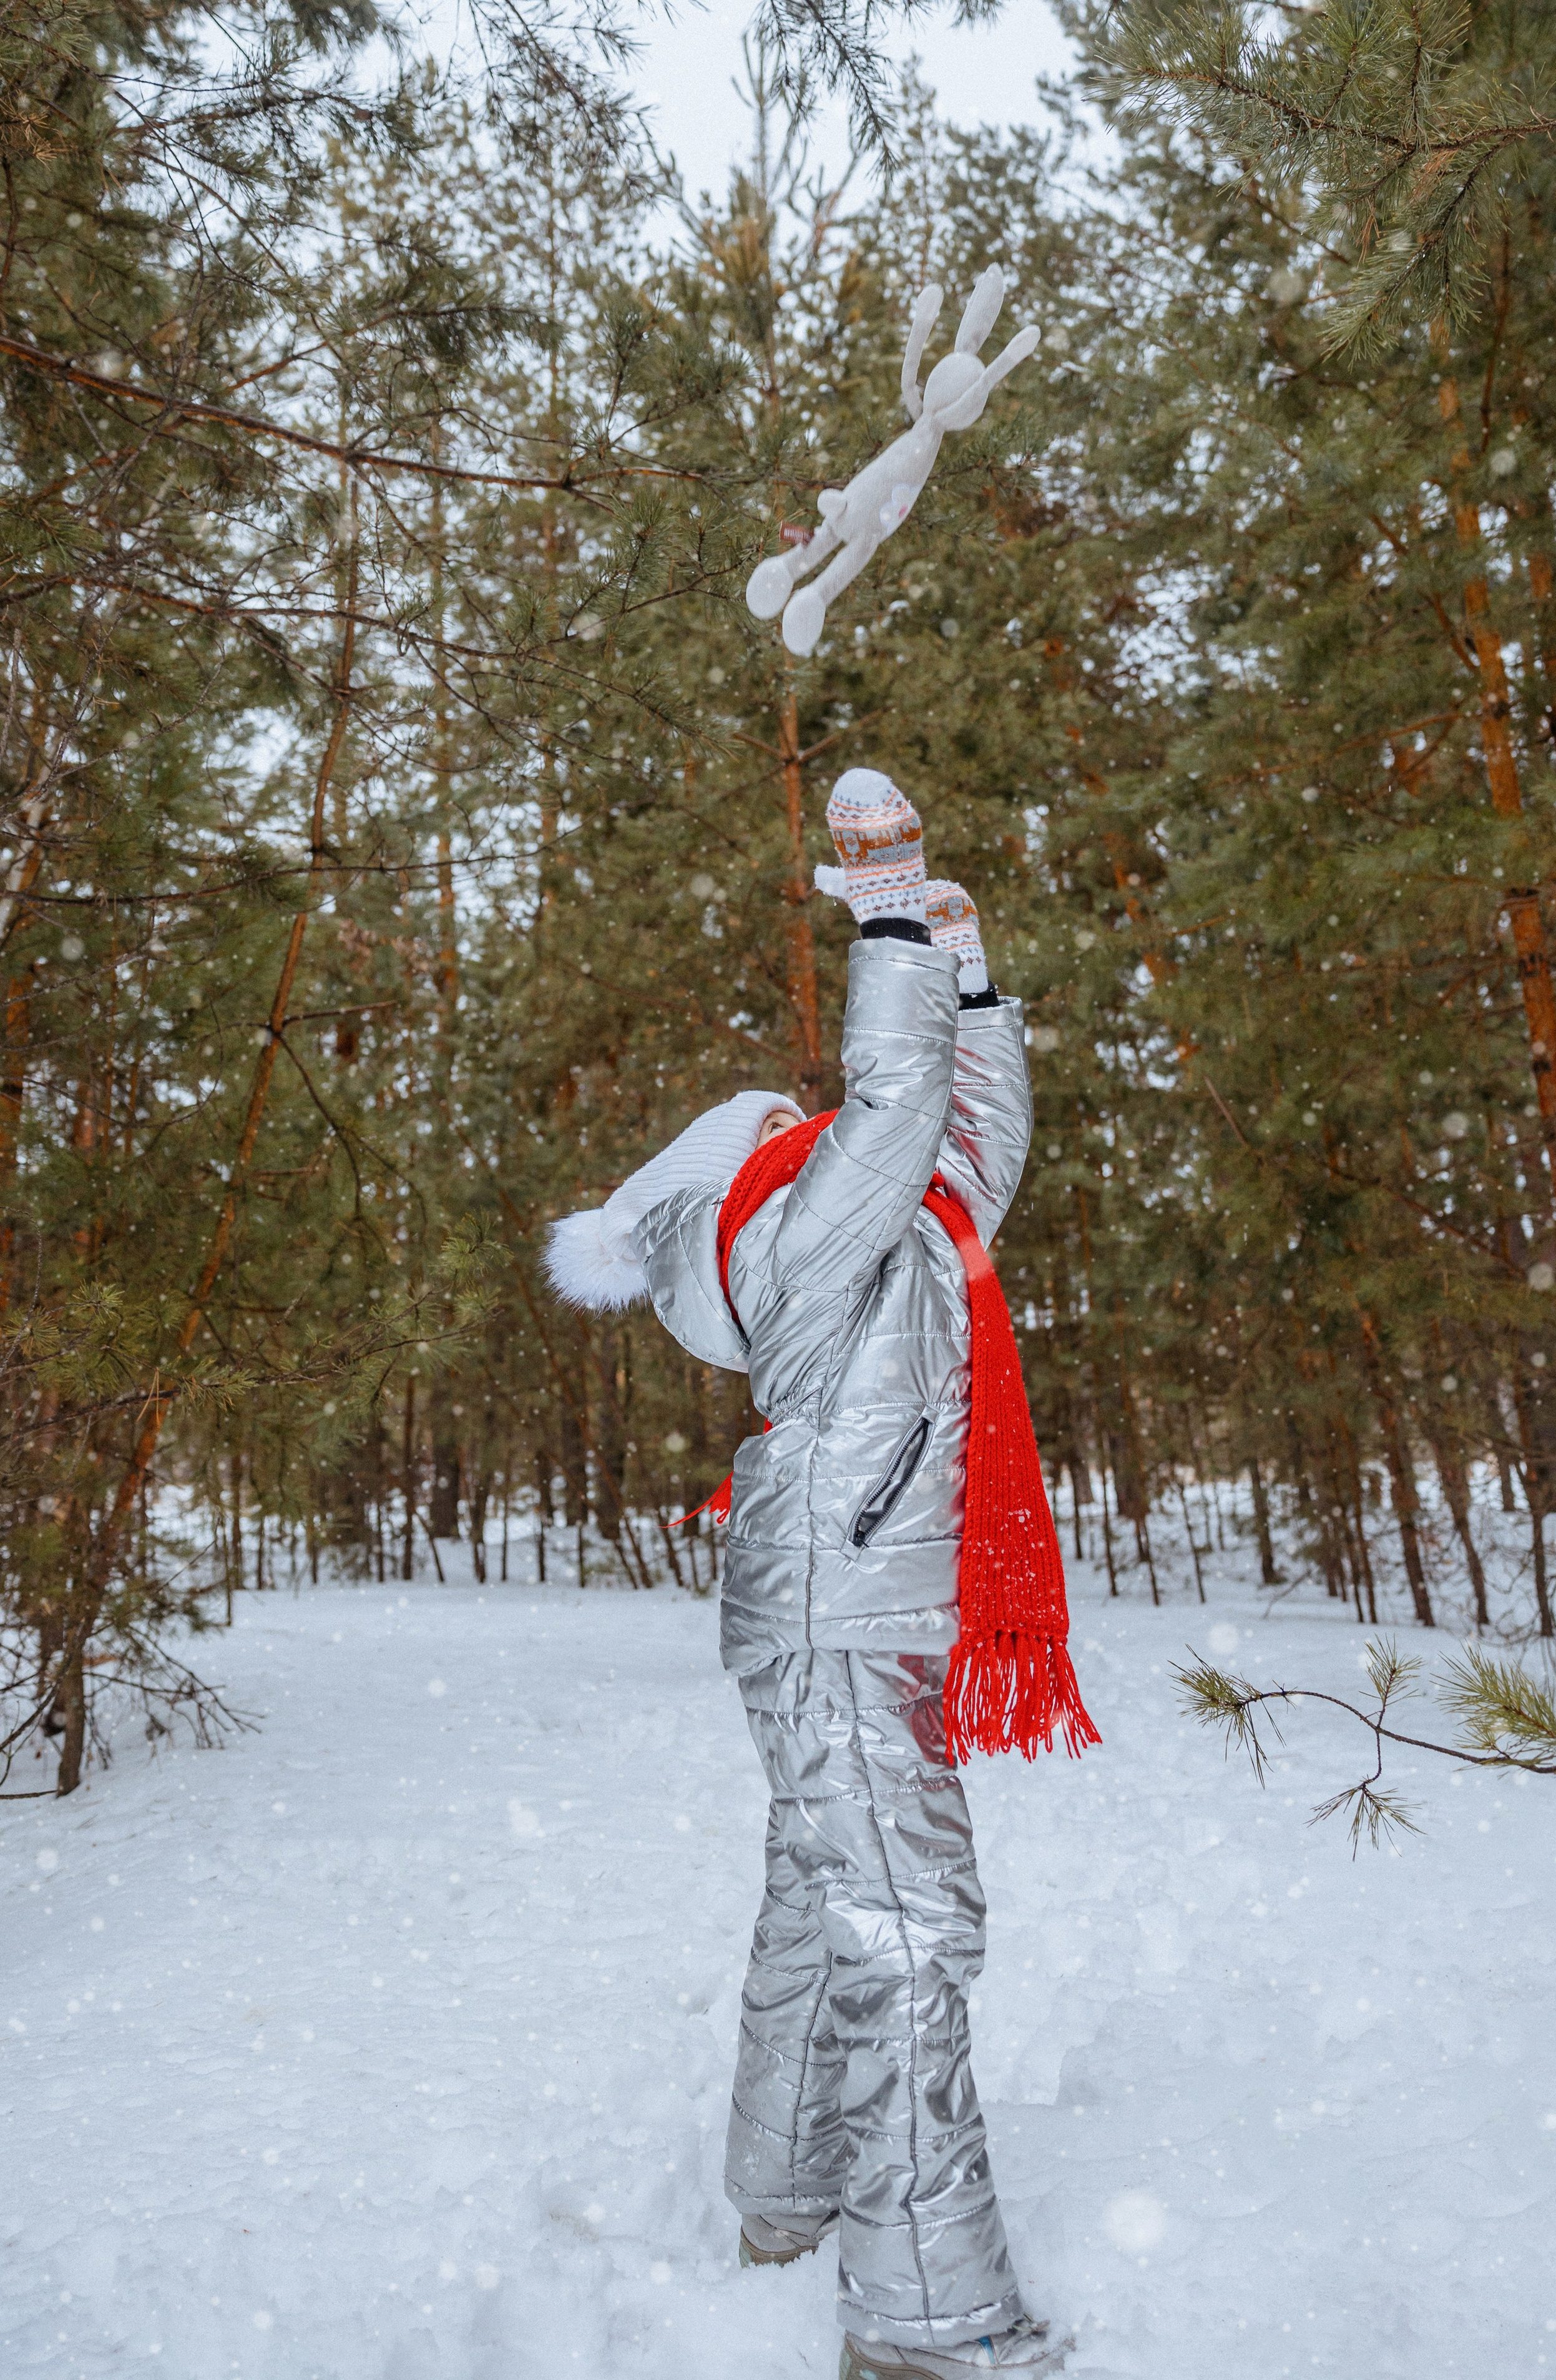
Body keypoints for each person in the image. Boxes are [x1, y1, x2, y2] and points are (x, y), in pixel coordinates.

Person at [547, 770, 1092, 2380]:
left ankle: (782, 2196)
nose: (800, 1133)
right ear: (735, 1194)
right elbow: (895, 1102)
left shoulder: (903, 1238)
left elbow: (973, 1139)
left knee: (824, 1907)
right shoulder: (796, 1245)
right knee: (907, 1928)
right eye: (777, 1137)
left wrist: (969, 970)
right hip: (838, 1608)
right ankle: (930, 2320)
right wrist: (892, 910)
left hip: (852, 1600)